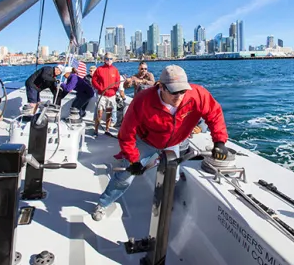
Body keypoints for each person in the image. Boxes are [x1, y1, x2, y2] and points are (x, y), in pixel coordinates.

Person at [92, 65, 229, 221]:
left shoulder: (197, 95)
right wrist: (133, 159)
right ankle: (102, 204)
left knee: (173, 177)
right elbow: (126, 133)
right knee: (125, 175)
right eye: (173, 91)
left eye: (182, 91)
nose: (179, 96)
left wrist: (219, 141)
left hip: (173, 142)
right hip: (145, 141)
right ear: (161, 87)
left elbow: (214, 113)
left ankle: (164, 205)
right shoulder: (143, 100)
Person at [92, 52, 120, 135]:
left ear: (113, 60)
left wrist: (115, 89)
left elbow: (118, 81)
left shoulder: (115, 70)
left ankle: (107, 129)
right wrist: (100, 88)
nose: (109, 60)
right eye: (107, 58)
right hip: (102, 95)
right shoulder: (99, 69)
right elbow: (94, 80)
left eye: (110, 59)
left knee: (109, 113)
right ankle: (96, 129)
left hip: (111, 96)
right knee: (99, 113)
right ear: (104, 59)